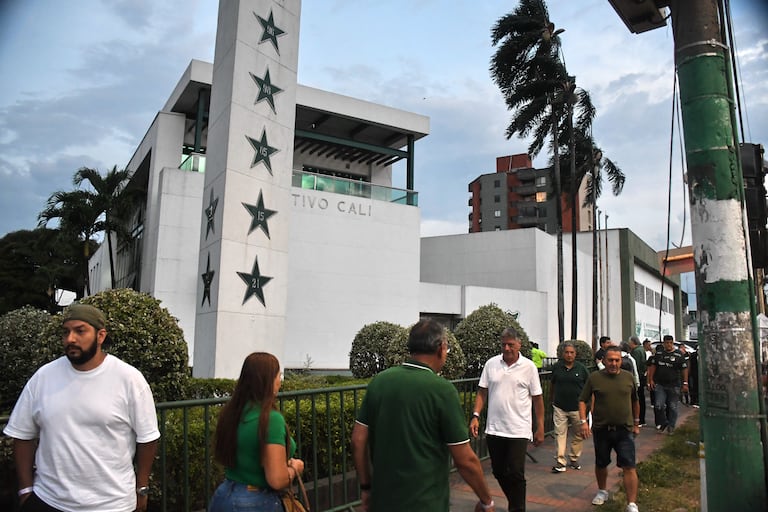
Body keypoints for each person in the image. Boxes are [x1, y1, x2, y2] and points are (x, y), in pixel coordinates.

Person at [3, 303, 160, 512]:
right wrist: (25, 490)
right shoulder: (43, 377)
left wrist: (141, 488)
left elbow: (148, 438)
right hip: (48, 501)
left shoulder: (129, 379)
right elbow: (22, 434)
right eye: (66, 332)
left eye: (80, 331)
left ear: (101, 336)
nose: (70, 339)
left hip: (111, 505)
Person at [352, 318, 495, 512]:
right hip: (426, 503)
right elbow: (465, 460)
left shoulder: (380, 382)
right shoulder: (442, 390)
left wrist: (366, 488)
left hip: (383, 501)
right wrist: (487, 500)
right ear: (440, 348)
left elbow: (358, 440)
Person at [209, 352, 305, 512]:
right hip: (256, 501)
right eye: (278, 375)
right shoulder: (271, 419)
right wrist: (295, 468)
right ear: (268, 381)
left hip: (224, 495)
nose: (280, 381)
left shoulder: (232, 413)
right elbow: (276, 479)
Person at [470, 327, 545, 512]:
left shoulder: (529, 367)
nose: (507, 348)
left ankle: (517, 508)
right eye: (503, 344)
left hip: (518, 429)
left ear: (519, 345)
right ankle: (515, 502)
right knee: (498, 471)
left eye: (511, 344)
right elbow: (482, 392)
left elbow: (537, 399)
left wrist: (540, 426)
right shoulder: (491, 364)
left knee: (516, 472)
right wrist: (475, 415)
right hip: (495, 428)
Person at [578, 346, 641, 512]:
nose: (613, 363)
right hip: (602, 429)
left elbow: (635, 401)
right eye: (610, 360)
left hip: (624, 430)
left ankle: (631, 504)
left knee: (629, 466)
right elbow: (582, 400)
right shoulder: (595, 378)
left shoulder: (628, 378)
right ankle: (602, 491)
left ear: (621, 360)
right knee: (601, 463)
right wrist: (583, 422)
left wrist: (636, 423)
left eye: (617, 360)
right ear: (604, 360)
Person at [549, 341, 588, 473]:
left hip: (577, 408)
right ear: (562, 354)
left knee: (578, 434)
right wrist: (551, 399)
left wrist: (590, 406)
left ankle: (574, 458)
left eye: (572, 352)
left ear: (575, 354)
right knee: (560, 433)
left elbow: (589, 388)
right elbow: (552, 384)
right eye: (567, 352)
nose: (569, 355)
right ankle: (560, 461)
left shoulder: (581, 369)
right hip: (560, 407)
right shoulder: (557, 367)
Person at [647, 335, 689, 434]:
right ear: (664, 343)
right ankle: (664, 422)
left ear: (673, 343)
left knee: (673, 406)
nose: (668, 345)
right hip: (660, 384)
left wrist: (685, 383)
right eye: (666, 343)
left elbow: (684, 369)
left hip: (674, 385)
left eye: (670, 343)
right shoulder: (659, 354)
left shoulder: (678, 355)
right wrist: (650, 380)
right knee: (658, 405)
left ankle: (671, 426)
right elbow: (652, 367)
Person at [628, 336, 648, 426]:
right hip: (642, 375)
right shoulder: (642, 349)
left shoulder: (636, 351)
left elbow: (635, 365)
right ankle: (642, 419)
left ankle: (639, 418)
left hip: (638, 376)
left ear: (633, 343)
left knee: (637, 398)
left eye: (630, 343)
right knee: (641, 398)